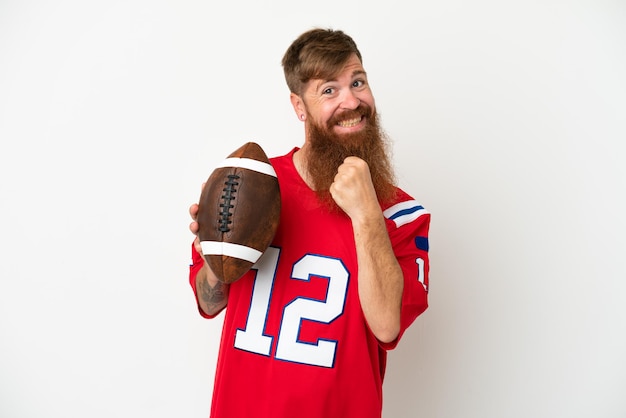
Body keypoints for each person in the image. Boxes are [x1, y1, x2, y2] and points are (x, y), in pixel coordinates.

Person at [188, 28, 430, 418]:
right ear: (299, 106)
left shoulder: (403, 214)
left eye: (358, 82)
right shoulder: (254, 188)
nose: (351, 100)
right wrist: (215, 257)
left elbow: (387, 326)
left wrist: (367, 211)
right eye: (329, 90)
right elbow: (207, 301)